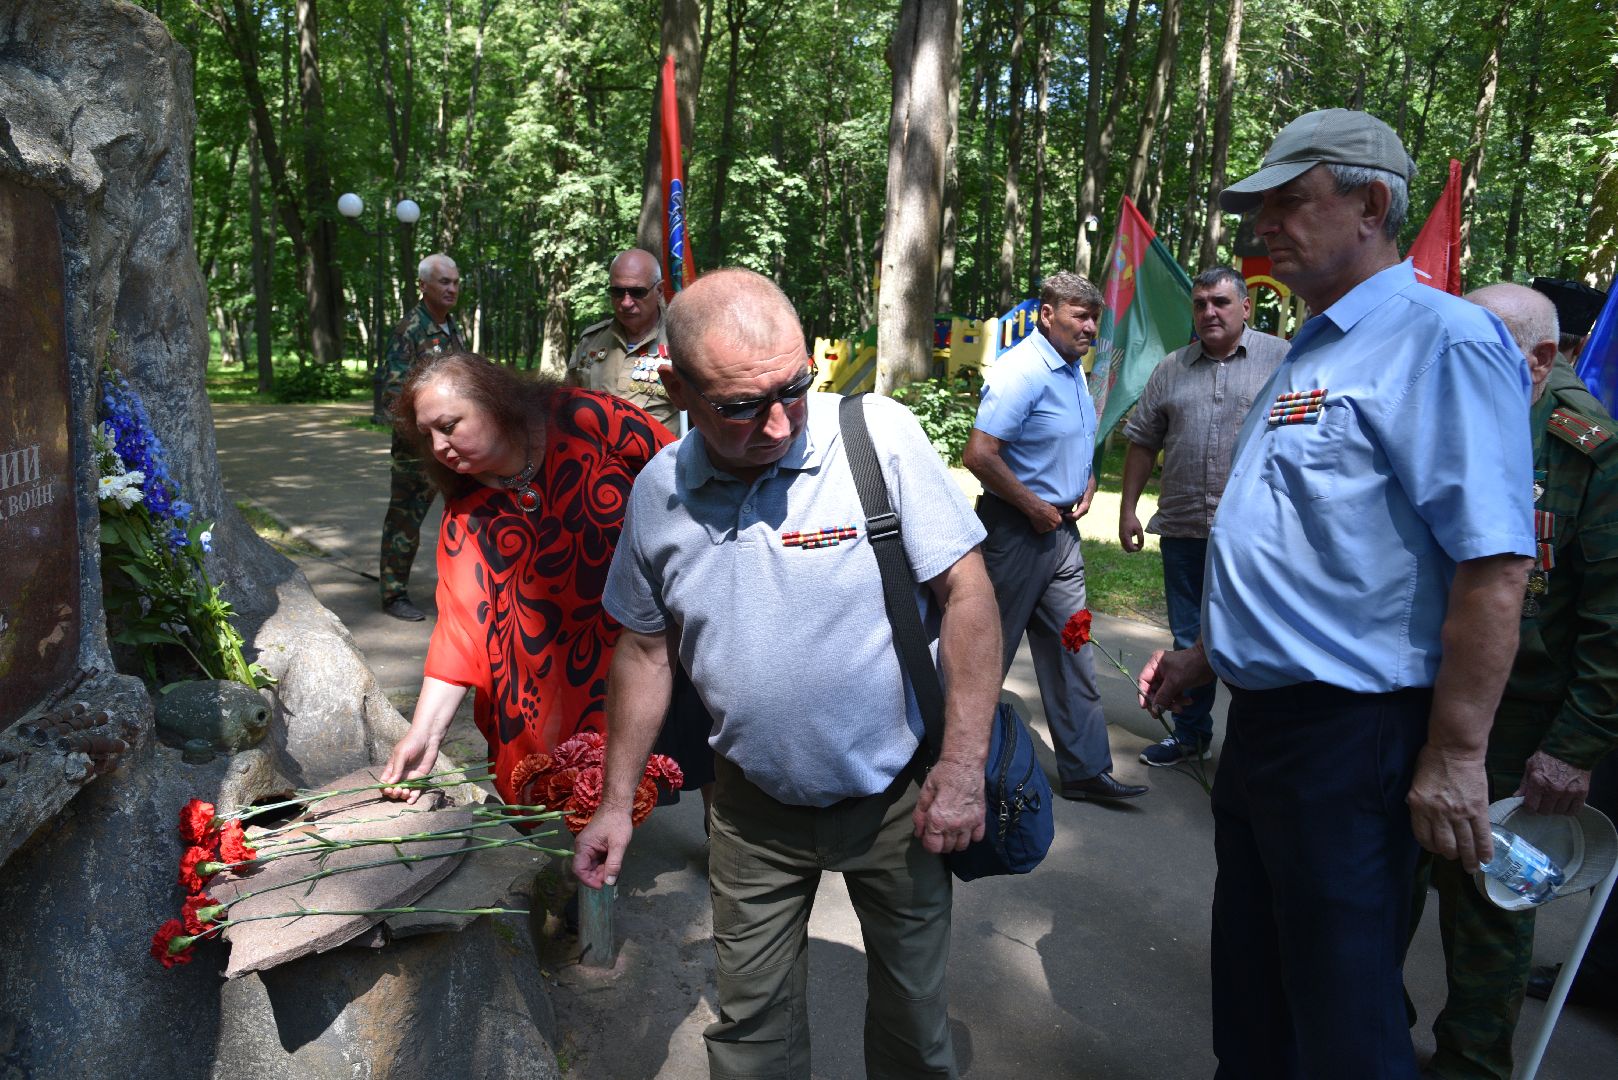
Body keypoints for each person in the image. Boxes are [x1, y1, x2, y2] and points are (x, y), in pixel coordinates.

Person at [1138, 109, 1536, 1080]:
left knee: (1342, 1022)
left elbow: (1493, 565)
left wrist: (1455, 752)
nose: (1262, 224)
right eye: (1259, 205)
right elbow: (1311, 547)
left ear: (1368, 203)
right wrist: (1208, 656)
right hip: (1265, 731)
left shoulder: (1440, 341)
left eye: (1287, 200)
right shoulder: (1309, 349)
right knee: (1256, 1001)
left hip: (1354, 738)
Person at [573, 268, 1001, 1079]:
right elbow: (642, 650)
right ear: (677, 387)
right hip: (748, 812)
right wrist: (615, 805)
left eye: (794, 388)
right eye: (740, 405)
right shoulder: (658, 493)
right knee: (751, 1035)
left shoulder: (879, 438)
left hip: (899, 800)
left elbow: (969, 594)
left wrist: (961, 767)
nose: (776, 424)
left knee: (915, 1027)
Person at [1410, 282, 1618, 1080]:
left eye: (1482, 346)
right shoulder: (1451, 414)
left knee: (1488, 906)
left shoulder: (1584, 449)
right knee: (1388, 882)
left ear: (1538, 360)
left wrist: (1574, 746)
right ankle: (1371, 1034)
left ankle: (1471, 1064)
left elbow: (1611, 623)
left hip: (1519, 726)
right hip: (1415, 698)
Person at [375, 351, 676, 808]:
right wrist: (424, 735)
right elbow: (459, 633)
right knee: (587, 790)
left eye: (449, 425)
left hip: (651, 640)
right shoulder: (468, 516)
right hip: (563, 677)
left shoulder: (590, 420)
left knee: (696, 759)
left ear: (497, 403)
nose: (438, 447)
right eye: (427, 435)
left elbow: (684, 481)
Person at [963, 270, 1147, 801]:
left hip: (1062, 537)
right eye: (1080, 316)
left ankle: (1086, 771)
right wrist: (1032, 505)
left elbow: (1074, 441)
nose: (1091, 327)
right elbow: (979, 455)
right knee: (984, 654)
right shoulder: (1021, 371)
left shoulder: (1072, 372)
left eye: (1095, 317)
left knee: (1073, 645)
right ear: (1048, 314)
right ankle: (951, 764)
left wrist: (1085, 479)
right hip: (1015, 535)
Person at [1119, 266, 1288, 767]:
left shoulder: (1284, 361)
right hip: (1184, 528)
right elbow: (1143, 441)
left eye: (1220, 301)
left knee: (1255, 637)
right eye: (1200, 304)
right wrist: (1128, 508)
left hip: (1256, 535)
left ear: (1245, 307)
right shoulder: (1171, 368)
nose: (1209, 312)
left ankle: (1255, 746)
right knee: (1186, 636)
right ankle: (1190, 736)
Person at [377, 253, 466, 622]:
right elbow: (393, 397)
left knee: (464, 515)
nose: (452, 289)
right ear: (423, 286)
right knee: (405, 521)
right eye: (444, 282)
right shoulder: (410, 329)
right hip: (417, 449)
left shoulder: (450, 327)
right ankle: (393, 594)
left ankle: (464, 592)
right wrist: (425, 439)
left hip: (455, 445)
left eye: (456, 282)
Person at [565, 248, 678, 428]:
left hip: (656, 454)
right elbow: (567, 404)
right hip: (595, 453)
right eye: (617, 292)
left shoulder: (680, 341)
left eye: (637, 292)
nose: (626, 303)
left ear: (659, 291)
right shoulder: (591, 341)